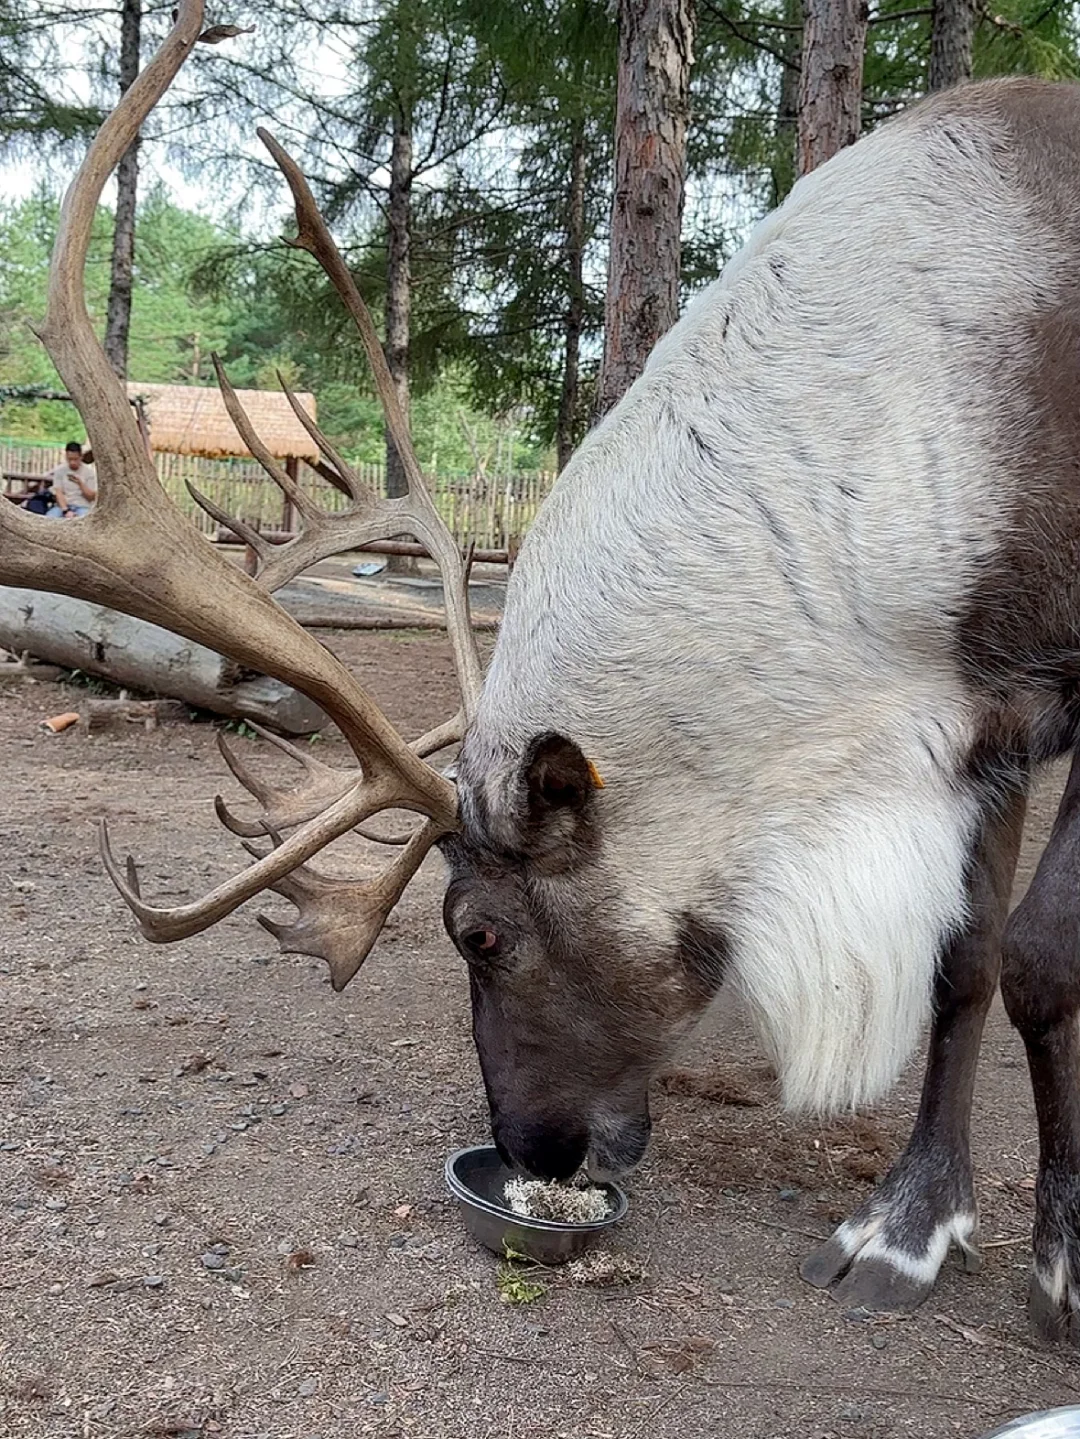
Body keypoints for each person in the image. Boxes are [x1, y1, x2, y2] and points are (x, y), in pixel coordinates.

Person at [48, 440, 97, 517]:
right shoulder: (60, 471)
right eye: (70, 459)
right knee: (50, 517)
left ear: (81, 457)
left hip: (83, 506)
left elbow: (91, 496)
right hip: (63, 506)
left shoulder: (89, 472)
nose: (72, 462)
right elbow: (58, 492)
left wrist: (80, 483)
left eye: (75, 459)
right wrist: (65, 510)